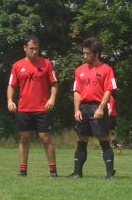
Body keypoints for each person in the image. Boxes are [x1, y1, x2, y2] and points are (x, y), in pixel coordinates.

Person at [7, 35, 59, 178]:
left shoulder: (46, 64)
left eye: (37, 48)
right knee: (24, 138)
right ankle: (23, 170)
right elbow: (11, 85)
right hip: (24, 108)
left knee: (45, 138)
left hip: (42, 108)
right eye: (31, 48)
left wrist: (52, 99)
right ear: (25, 48)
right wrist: (10, 100)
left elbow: (54, 84)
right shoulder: (17, 66)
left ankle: (53, 171)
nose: (34, 51)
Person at [70, 37, 118, 179]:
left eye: (88, 53)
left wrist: (101, 108)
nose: (85, 56)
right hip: (83, 108)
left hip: (98, 106)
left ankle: (109, 173)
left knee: (104, 139)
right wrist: (77, 109)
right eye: (83, 53)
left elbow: (109, 90)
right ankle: (77, 173)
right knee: (81, 139)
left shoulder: (106, 69)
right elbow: (77, 91)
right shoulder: (79, 70)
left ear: (96, 54)